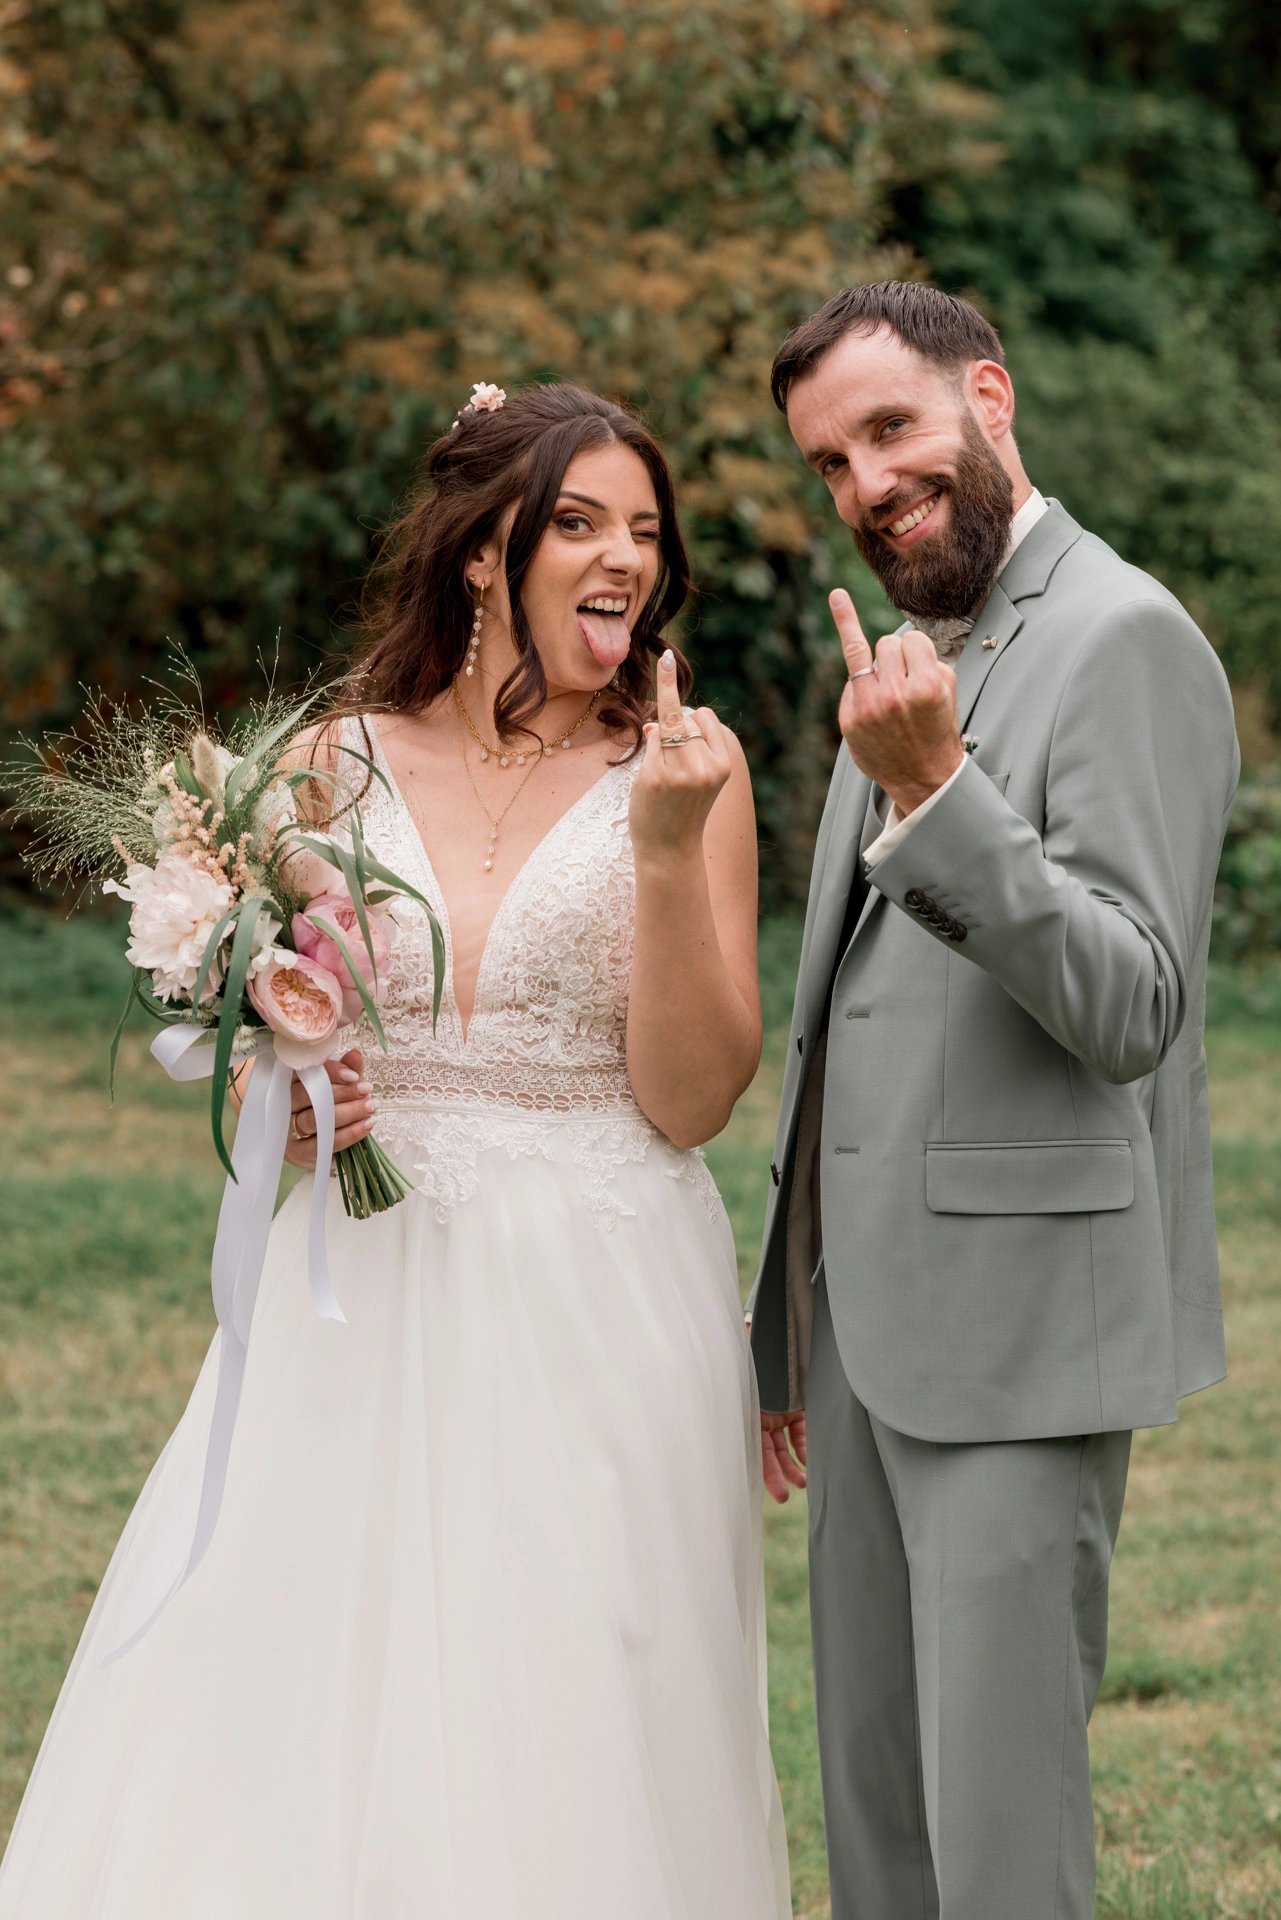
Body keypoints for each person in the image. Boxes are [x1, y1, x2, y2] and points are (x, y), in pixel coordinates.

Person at [0, 382, 790, 1919]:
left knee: (571, 1691)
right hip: (357, 1281)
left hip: (604, 1290)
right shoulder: (330, 767)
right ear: (485, 554)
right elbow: (271, 1063)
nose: (623, 554)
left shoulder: (691, 767)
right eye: (578, 523)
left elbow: (691, 1100)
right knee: (295, 1659)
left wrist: (662, 846)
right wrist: (297, 1099)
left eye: (644, 529)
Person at [748, 282, 1239, 1920]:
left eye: (890, 430)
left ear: (990, 396)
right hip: (872, 1334)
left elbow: (1133, 1004)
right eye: (830, 462)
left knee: (1000, 1843)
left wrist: (939, 790)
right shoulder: (906, 653)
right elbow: (845, 1024)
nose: (868, 484)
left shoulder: (1126, 636)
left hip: (1022, 1342)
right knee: (882, 1833)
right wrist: (792, 1324)